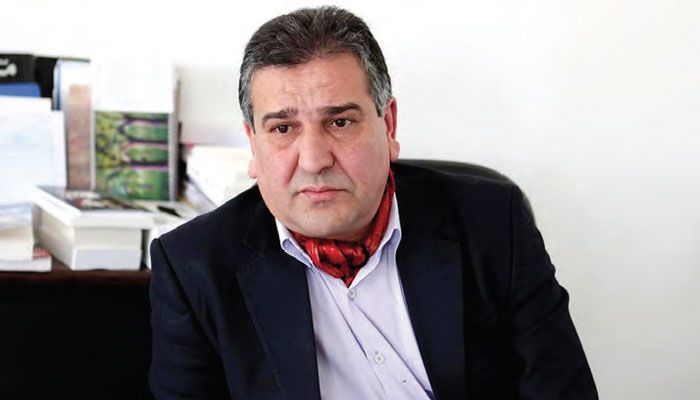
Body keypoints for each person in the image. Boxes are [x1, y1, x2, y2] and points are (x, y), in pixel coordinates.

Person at [149, 6, 597, 400]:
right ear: (253, 142)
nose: (314, 160)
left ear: (389, 124)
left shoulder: (493, 224)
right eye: (283, 129)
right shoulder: (195, 268)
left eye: (340, 122)